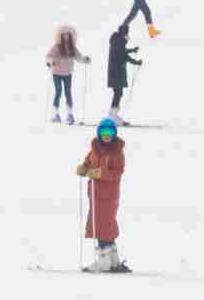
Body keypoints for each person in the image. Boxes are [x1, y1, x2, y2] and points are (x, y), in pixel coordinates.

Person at [76, 118, 130, 272]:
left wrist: (100, 173)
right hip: (94, 193)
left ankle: (104, 260)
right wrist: (83, 168)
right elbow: (88, 162)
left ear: (114, 134)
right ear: (99, 133)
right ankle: (113, 259)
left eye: (110, 132)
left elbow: (117, 172)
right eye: (104, 132)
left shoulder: (117, 152)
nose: (107, 135)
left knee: (103, 226)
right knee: (102, 225)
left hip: (109, 195)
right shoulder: (95, 148)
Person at [45, 24, 91, 124]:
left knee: (68, 92)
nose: (66, 37)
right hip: (56, 72)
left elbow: (78, 57)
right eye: (64, 35)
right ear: (60, 36)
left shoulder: (72, 48)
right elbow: (49, 56)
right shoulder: (57, 47)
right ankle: (55, 114)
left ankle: (70, 114)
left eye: (67, 35)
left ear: (70, 36)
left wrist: (85, 60)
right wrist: (50, 62)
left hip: (68, 73)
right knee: (58, 91)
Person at [105, 25, 141, 124]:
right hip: (117, 71)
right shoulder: (120, 41)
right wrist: (136, 62)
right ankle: (112, 116)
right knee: (118, 93)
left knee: (118, 93)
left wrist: (132, 50)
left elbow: (122, 51)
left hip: (115, 71)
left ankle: (113, 115)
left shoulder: (116, 40)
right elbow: (123, 55)